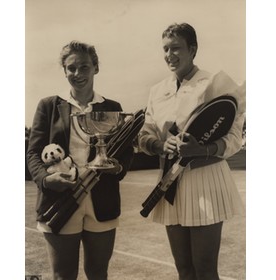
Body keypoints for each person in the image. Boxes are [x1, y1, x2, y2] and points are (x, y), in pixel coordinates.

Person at [138, 23, 245, 280]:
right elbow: (144, 134)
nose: (169, 55)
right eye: (165, 49)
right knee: (184, 270)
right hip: (169, 184)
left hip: (205, 180)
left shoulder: (215, 84)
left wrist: (203, 149)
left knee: (205, 270)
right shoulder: (157, 90)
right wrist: (159, 145)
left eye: (176, 48)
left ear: (193, 49)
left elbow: (234, 139)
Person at [27, 41, 134, 280]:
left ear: (96, 68)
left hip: (101, 199)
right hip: (59, 200)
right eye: (71, 68)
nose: (78, 74)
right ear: (64, 70)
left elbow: (125, 151)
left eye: (84, 67)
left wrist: (118, 167)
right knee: (63, 276)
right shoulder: (48, 106)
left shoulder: (112, 108)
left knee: (98, 273)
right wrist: (46, 179)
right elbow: (33, 153)